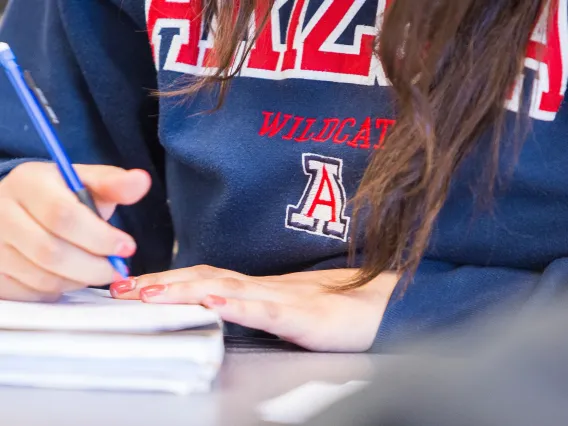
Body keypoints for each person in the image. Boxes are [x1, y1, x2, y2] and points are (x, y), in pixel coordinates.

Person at [0, 0, 567, 352]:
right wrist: (28, 225)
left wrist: (443, 306)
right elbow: (48, 161)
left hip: (517, 369)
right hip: (217, 359)